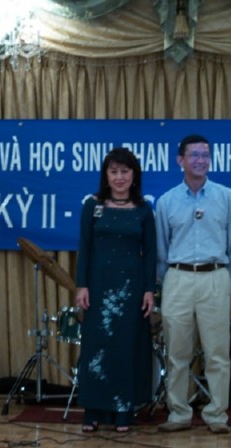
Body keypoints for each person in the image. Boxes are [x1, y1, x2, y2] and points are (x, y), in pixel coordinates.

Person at [155, 134, 231, 435]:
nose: (200, 160)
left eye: (205, 155)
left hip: (215, 277)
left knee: (217, 352)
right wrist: (167, 280)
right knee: (177, 353)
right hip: (177, 277)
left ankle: (217, 414)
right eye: (194, 155)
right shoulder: (166, 202)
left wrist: (229, 283)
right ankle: (178, 413)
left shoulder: (227, 197)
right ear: (180, 160)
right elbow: (160, 250)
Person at [75, 147, 157, 433]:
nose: (119, 177)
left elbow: (151, 253)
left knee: (126, 348)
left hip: (131, 290)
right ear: (106, 175)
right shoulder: (92, 205)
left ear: (134, 175)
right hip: (98, 288)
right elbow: (84, 248)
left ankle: (124, 410)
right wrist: (81, 285)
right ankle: (93, 410)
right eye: (114, 171)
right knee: (96, 348)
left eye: (124, 171)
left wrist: (149, 290)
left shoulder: (144, 209)